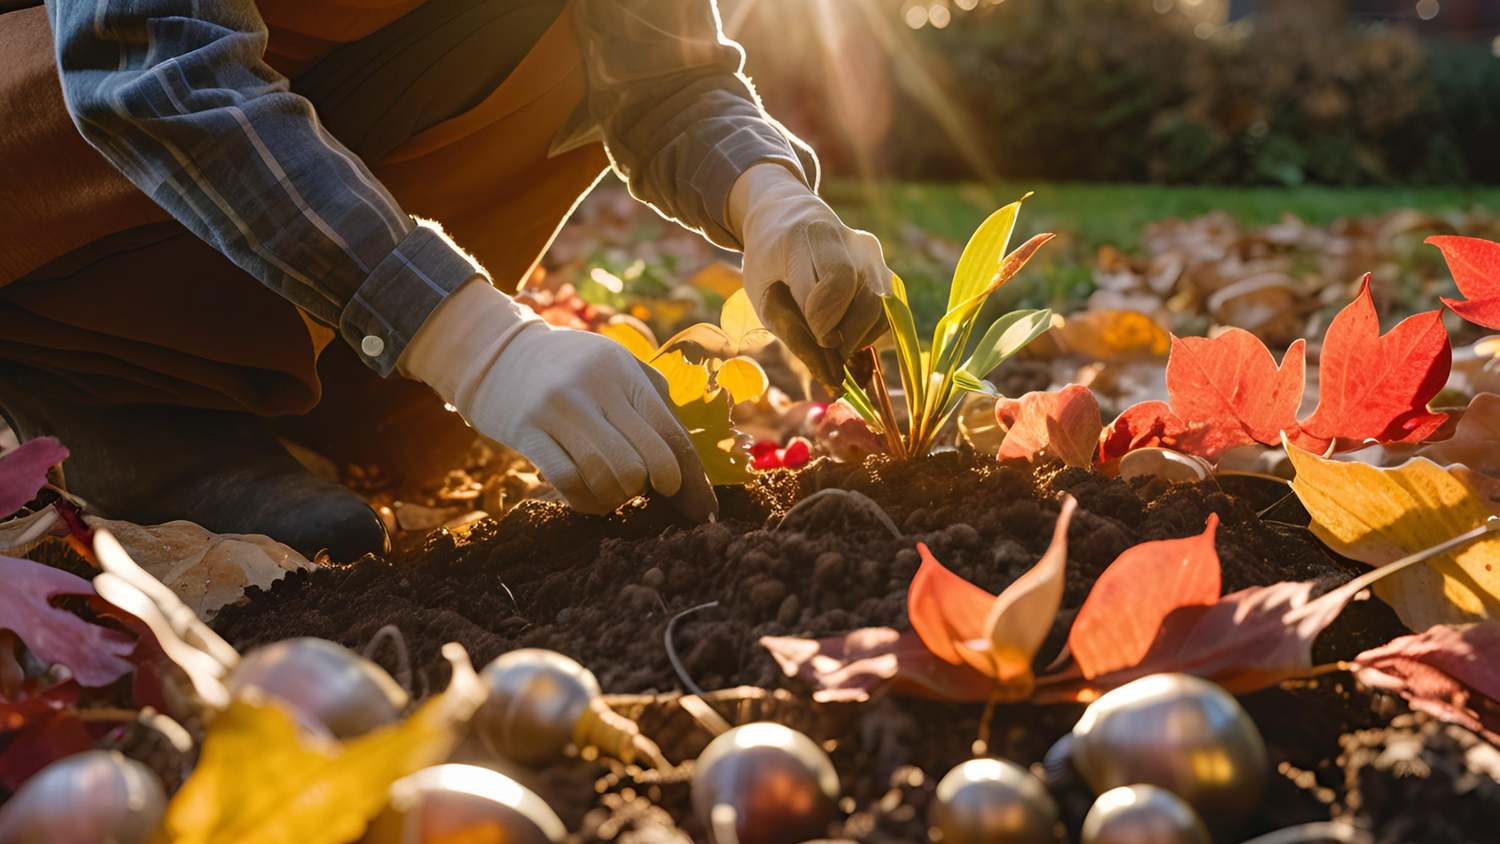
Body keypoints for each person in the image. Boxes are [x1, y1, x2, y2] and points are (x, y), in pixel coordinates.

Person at [0, 0, 891, 559]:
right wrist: (475, 343)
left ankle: (321, 388)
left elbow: (665, 77)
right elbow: (150, 62)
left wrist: (770, 199)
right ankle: (99, 393)